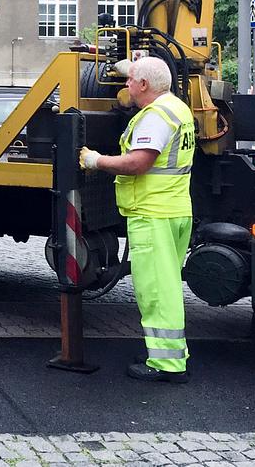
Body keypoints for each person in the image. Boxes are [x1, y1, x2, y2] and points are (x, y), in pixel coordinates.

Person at [80, 56, 196, 384]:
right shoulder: (177, 108)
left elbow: (137, 163)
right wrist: (120, 64)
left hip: (152, 213)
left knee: (156, 291)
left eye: (130, 81)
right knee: (168, 286)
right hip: (173, 210)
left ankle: (167, 365)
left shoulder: (155, 117)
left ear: (144, 85)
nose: (126, 86)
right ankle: (167, 354)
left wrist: (95, 160)